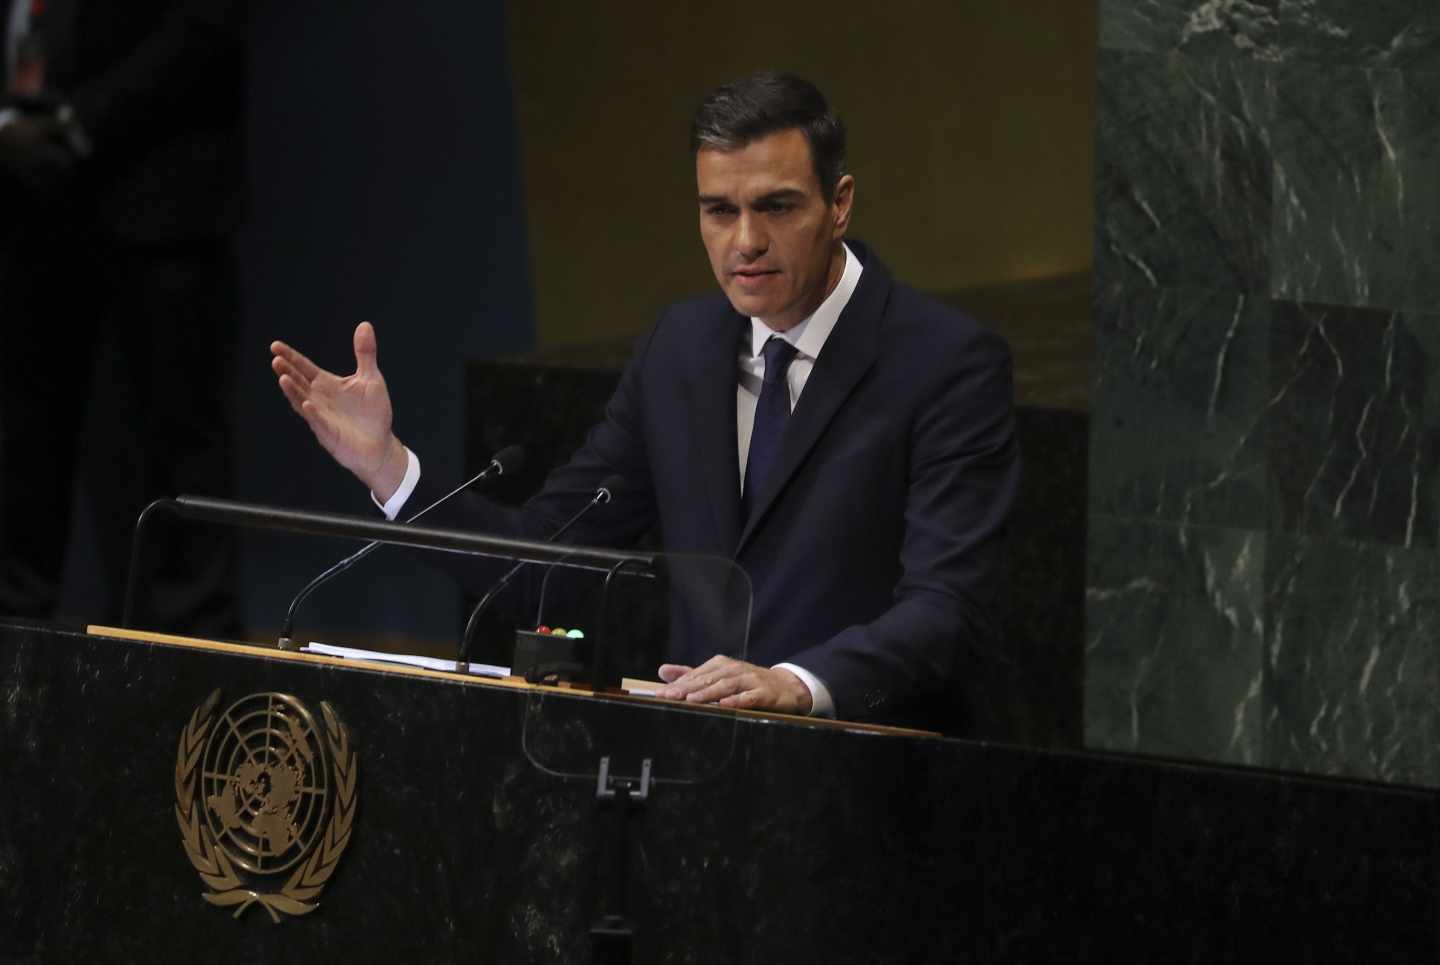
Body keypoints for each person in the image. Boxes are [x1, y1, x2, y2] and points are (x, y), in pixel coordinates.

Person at [270, 72, 1020, 732]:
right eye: (719, 211)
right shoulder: (682, 350)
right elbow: (546, 565)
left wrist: (798, 684)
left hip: (865, 788)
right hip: (692, 787)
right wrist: (390, 470)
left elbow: (946, 608)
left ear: (841, 203)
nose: (746, 241)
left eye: (778, 207)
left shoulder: (943, 363)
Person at [0, 0, 247, 635]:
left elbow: (207, 27)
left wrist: (77, 125)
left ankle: (187, 679)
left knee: (171, 451)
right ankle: (16, 664)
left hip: (155, 197)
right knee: (22, 451)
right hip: (24, 202)